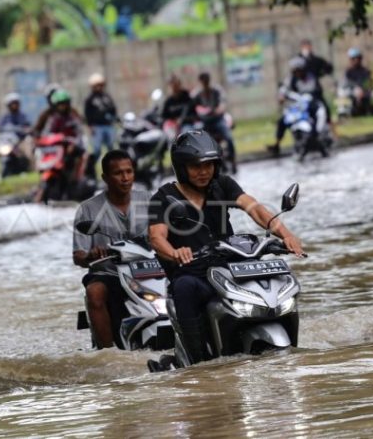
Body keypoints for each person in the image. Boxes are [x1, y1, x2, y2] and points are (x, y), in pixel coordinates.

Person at [148, 130, 304, 363]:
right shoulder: (164, 197)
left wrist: (286, 235)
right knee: (184, 287)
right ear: (181, 167)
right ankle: (200, 363)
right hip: (194, 273)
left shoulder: (222, 185)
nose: (204, 171)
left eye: (209, 165)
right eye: (195, 166)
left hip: (230, 269)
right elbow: (156, 237)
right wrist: (174, 252)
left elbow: (255, 208)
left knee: (273, 275)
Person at [73, 150, 152, 348]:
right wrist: (90, 256)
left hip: (150, 269)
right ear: (105, 178)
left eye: (129, 171)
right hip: (110, 273)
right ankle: (106, 352)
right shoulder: (87, 208)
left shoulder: (150, 200)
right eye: (118, 173)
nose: (125, 178)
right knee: (95, 292)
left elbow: (167, 234)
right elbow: (78, 255)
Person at [267, 56, 326, 156]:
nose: (297, 73)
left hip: (311, 104)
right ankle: (277, 144)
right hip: (298, 106)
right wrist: (281, 96)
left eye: (298, 70)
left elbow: (314, 91)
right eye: (295, 71)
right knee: (282, 121)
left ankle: (318, 136)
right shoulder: (291, 79)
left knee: (318, 115)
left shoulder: (310, 78)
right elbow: (284, 89)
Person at [186, 72, 237, 173]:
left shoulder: (217, 90)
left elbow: (222, 104)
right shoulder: (197, 94)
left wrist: (216, 110)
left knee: (229, 138)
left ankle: (232, 159)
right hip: (205, 122)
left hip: (218, 120)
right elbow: (192, 107)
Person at [84, 73, 118, 164]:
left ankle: (113, 166)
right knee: (97, 149)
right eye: (96, 85)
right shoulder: (90, 99)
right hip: (97, 127)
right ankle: (91, 168)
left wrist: (114, 119)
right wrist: (90, 126)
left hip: (108, 125)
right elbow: (87, 114)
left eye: (100, 85)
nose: (99, 87)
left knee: (111, 147)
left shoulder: (106, 96)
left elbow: (113, 109)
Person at [343, 48, 373, 116]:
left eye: (357, 58)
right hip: (352, 91)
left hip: (364, 91)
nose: (356, 60)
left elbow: (369, 82)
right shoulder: (348, 71)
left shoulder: (365, 70)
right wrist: (357, 88)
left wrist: (365, 89)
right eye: (354, 58)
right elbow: (347, 83)